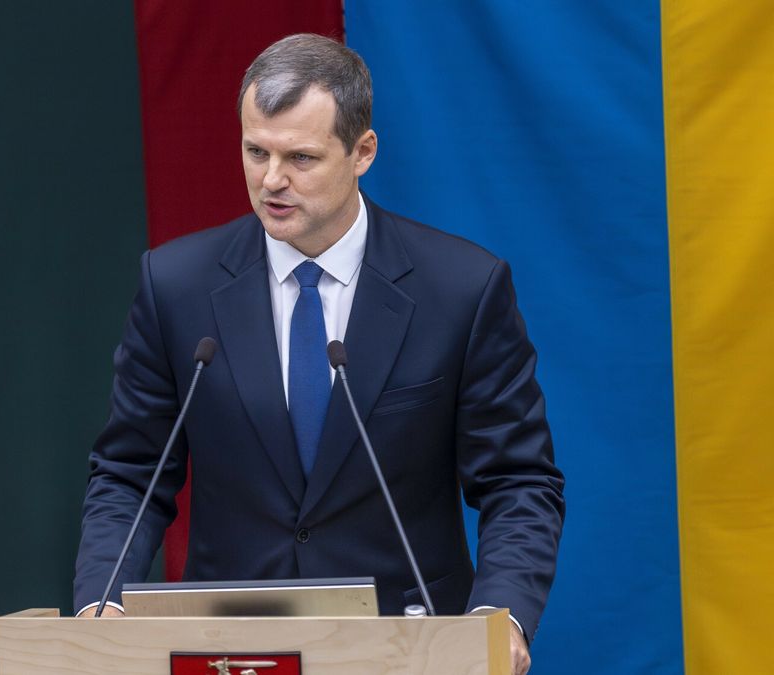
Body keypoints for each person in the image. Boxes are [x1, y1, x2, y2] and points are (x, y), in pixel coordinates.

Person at [73, 33, 564, 675]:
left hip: (408, 649)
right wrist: (100, 604)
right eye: (256, 151)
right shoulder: (177, 286)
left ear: (362, 152)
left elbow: (518, 481)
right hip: (231, 652)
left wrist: (500, 615)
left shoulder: (462, 289)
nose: (272, 181)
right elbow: (131, 473)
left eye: (301, 157)